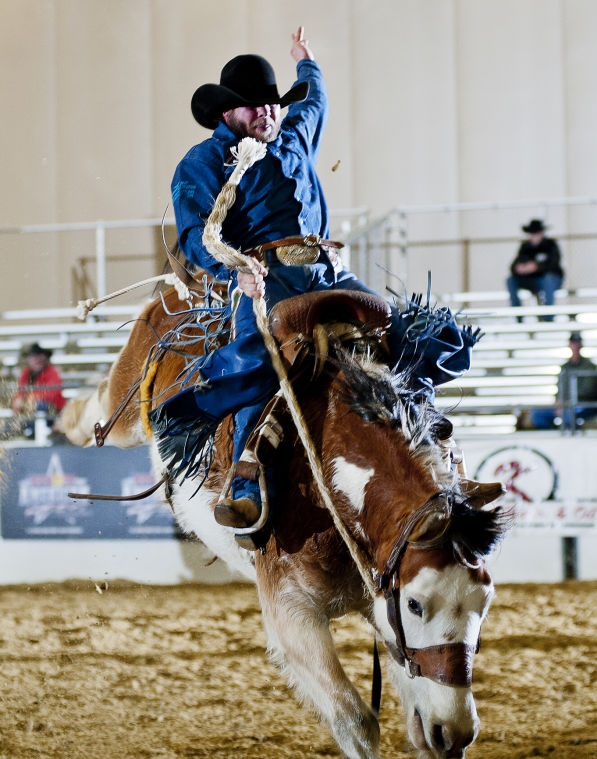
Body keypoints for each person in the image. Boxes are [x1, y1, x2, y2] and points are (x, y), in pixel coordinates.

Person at [150, 27, 479, 532]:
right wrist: (237, 269)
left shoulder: (295, 131)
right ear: (227, 114)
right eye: (254, 106)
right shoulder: (203, 162)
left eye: (272, 104)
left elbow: (316, 100)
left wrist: (307, 62)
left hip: (329, 271)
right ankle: (244, 479)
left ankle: (439, 453)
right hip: (265, 275)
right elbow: (197, 235)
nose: (267, 112)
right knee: (260, 355)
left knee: (411, 335)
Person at [529, 332, 597, 430]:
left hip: (582, 405)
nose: (575, 346)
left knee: (567, 413)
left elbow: (588, 391)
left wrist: (565, 401)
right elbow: (559, 389)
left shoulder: (590, 367)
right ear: (569, 345)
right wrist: (558, 402)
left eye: (577, 343)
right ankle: (554, 437)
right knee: (537, 414)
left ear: (581, 345)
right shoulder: (565, 367)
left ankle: (572, 439)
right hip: (565, 404)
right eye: (573, 343)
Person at [506, 219, 564, 321]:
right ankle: (518, 314)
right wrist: (520, 268)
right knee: (510, 280)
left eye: (536, 233)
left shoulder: (550, 245)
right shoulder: (525, 247)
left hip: (549, 280)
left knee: (548, 280)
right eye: (532, 233)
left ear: (541, 233)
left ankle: (548, 317)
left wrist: (536, 267)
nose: (534, 236)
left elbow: (553, 264)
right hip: (533, 281)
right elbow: (514, 266)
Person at [11, 343, 66, 438]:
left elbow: (52, 394)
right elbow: (20, 391)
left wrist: (28, 399)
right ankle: (20, 432)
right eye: (33, 356)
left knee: (38, 405)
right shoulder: (26, 373)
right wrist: (19, 400)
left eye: (39, 356)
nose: (37, 359)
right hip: (30, 408)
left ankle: (31, 433)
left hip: (51, 411)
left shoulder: (51, 372)